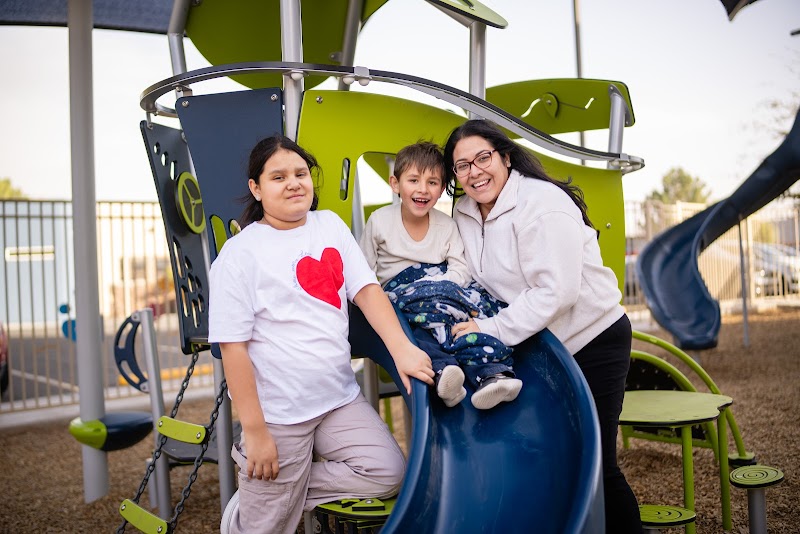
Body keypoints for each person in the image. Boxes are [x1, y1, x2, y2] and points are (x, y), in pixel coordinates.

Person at [208, 135, 435, 534]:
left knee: (387, 472)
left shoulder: (328, 224)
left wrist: (402, 350)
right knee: (265, 529)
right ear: (256, 188)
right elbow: (233, 348)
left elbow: (366, 290)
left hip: (336, 400)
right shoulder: (240, 254)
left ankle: (271, 490)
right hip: (280, 412)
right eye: (278, 177)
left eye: (301, 173)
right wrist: (256, 431)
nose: (294, 183)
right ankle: (257, 504)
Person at [443, 119, 643, 532]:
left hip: (591, 337)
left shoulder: (542, 204)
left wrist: (492, 328)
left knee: (596, 461)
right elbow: (469, 270)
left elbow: (557, 292)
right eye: (462, 166)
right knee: (547, 456)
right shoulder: (464, 211)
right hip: (538, 342)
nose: (474, 171)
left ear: (506, 157)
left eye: (483, 158)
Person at [359, 141, 522, 410]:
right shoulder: (379, 221)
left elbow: (460, 268)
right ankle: (446, 374)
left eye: (433, 182)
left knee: (462, 327)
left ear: (442, 188)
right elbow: (365, 272)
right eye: (413, 180)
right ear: (395, 184)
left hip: (442, 294)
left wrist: (439, 287)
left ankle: (494, 376)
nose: (423, 189)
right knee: (418, 337)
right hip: (402, 301)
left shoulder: (446, 225)